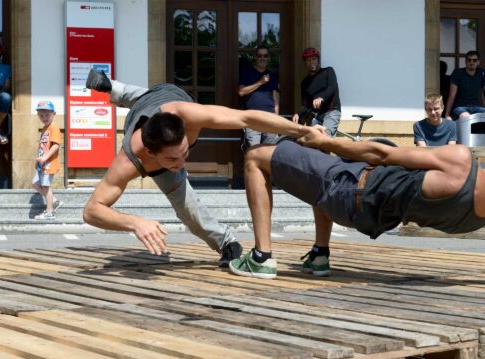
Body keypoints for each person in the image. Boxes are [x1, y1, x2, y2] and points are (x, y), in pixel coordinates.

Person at [229, 136, 485, 279]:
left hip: (346, 188)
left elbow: (382, 155)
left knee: (256, 158)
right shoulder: (475, 220)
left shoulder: (461, 161)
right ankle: (320, 255)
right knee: (331, 164)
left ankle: (261, 257)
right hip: (363, 215)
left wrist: (322, 140)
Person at [82, 69, 326, 263]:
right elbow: (91, 211)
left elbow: (247, 118)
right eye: (172, 160)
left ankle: (226, 244)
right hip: (140, 112)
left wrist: (303, 130)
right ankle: (117, 90)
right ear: (149, 152)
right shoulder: (128, 159)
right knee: (188, 208)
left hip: (171, 97)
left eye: (185, 153)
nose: (181, 165)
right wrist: (134, 223)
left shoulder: (191, 116)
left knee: (151, 98)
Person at [238, 45, 280, 149]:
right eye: (259, 55)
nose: (262, 58)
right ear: (255, 57)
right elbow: (241, 92)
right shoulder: (247, 72)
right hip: (253, 118)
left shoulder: (272, 75)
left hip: (269, 118)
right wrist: (260, 82)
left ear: (268, 58)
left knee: (268, 153)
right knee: (253, 151)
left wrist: (277, 118)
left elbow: (276, 99)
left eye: (265, 56)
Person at [292, 47, 341, 136]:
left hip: (331, 111)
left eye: (314, 59)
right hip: (317, 115)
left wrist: (321, 97)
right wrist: (298, 114)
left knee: (324, 137)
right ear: (305, 63)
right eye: (308, 60)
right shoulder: (305, 82)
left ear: (318, 60)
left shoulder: (328, 71)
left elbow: (331, 88)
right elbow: (306, 105)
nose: (311, 62)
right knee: (312, 139)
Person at [32, 101, 64, 220]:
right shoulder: (45, 129)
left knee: (46, 186)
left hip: (49, 163)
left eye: (47, 115)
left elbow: (55, 146)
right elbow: (42, 147)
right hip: (42, 164)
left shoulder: (54, 128)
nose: (44, 117)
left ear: (54, 113)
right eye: (41, 115)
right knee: (35, 183)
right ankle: (54, 201)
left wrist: (45, 158)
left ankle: (49, 211)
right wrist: (38, 160)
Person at [445, 51, 485, 121]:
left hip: (476, 107)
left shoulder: (482, 73)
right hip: (460, 107)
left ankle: (481, 132)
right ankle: (467, 132)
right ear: (465, 61)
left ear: (478, 62)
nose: (471, 62)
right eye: (469, 60)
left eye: (474, 60)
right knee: (466, 117)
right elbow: (452, 94)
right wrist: (447, 114)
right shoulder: (457, 73)